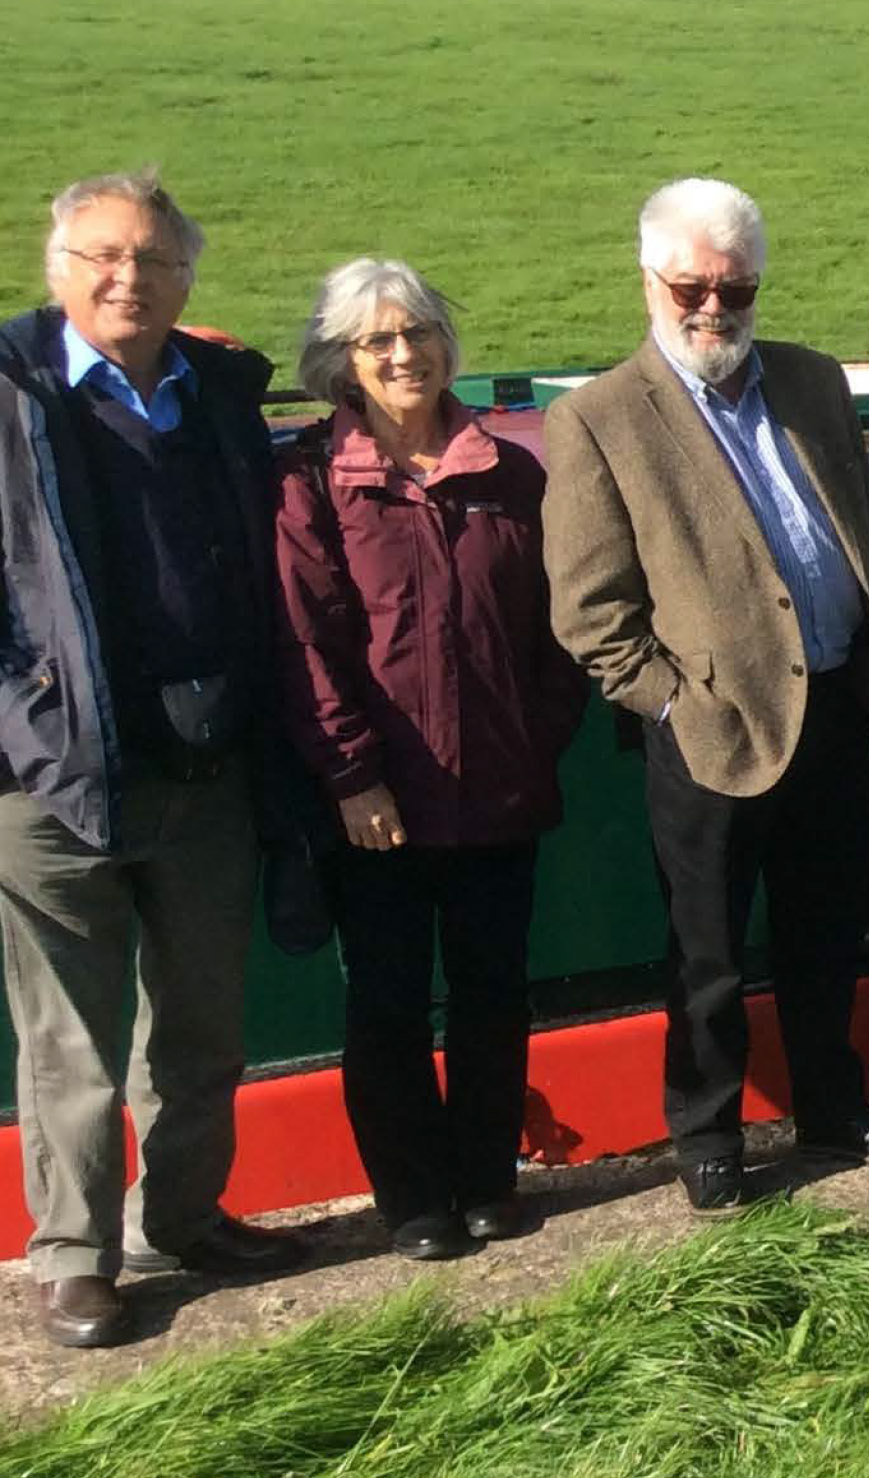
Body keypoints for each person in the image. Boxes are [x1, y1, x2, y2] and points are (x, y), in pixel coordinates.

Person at [543, 178, 869, 1219]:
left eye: (737, 286)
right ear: (649, 282)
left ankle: (833, 1108)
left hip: (835, 706)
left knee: (828, 932)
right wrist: (672, 700)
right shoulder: (595, 420)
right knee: (710, 954)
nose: (714, 307)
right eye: (692, 287)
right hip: (712, 728)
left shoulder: (811, 381)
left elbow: (856, 519)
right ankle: (710, 1135)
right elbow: (590, 610)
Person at [0, 170, 309, 1348]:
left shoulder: (217, 391)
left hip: (206, 761)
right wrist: (22, 733)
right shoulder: (9, 390)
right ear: (57, 265)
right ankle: (75, 1254)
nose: (130, 278)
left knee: (201, 1020)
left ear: (189, 277)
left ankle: (180, 1216)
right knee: (68, 1036)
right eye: (104, 256)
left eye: (156, 260)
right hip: (49, 778)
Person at [272, 258, 580, 1260]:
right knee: (391, 1000)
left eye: (419, 332)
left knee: (497, 987)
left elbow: (558, 630)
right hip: (380, 805)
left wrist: (538, 738)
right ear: (342, 364)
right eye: (378, 340)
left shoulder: (510, 474)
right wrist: (352, 775)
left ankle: (488, 1178)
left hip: (499, 784)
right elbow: (306, 641)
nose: (405, 354)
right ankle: (412, 1198)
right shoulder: (313, 481)